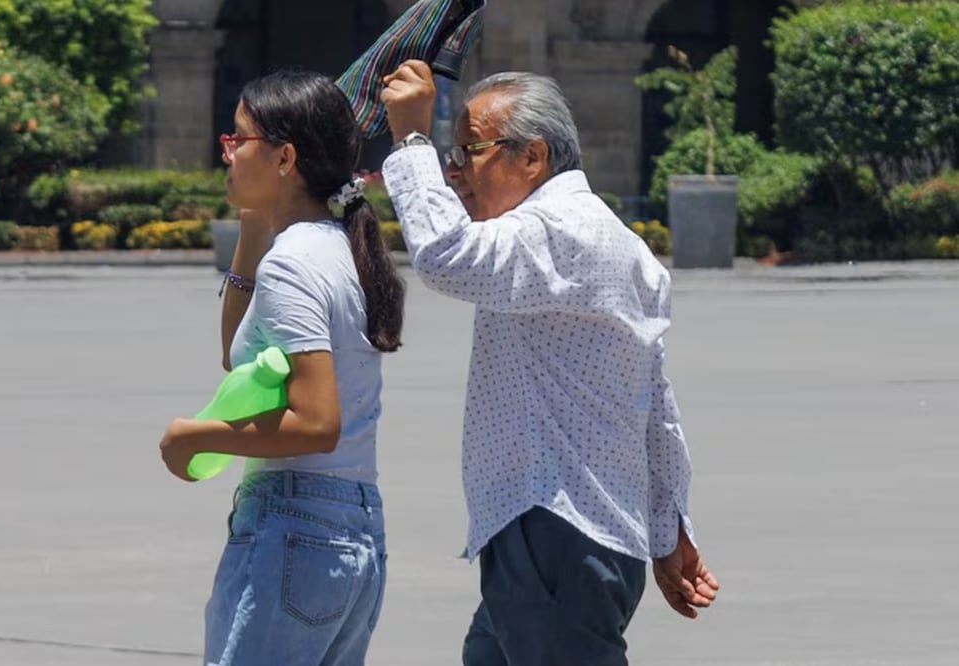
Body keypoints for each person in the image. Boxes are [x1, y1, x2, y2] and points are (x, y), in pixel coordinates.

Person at [379, 61, 720, 665]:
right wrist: (667, 529)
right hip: (562, 532)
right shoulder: (616, 241)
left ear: (531, 157)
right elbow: (654, 406)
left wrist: (411, 140)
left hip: (555, 531)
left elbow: (444, 256)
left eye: (467, 152)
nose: (454, 173)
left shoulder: (560, 231)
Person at [158, 70, 406, 666]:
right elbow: (241, 354)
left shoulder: (293, 264)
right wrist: (252, 232)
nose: (226, 153)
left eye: (237, 140)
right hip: (349, 527)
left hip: (295, 523)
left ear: (284, 158)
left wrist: (195, 437)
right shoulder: (334, 246)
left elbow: (318, 422)